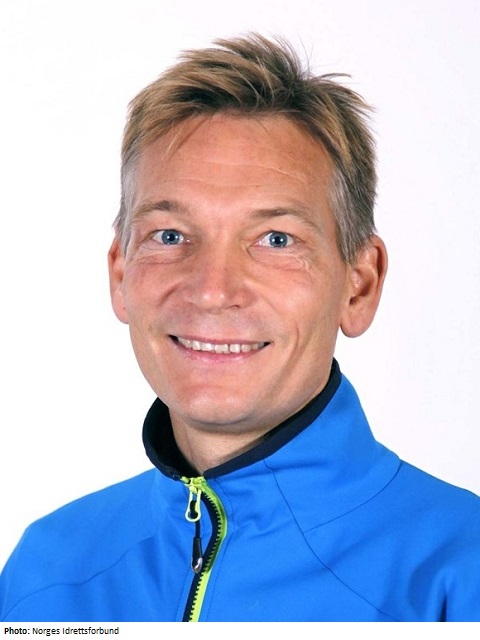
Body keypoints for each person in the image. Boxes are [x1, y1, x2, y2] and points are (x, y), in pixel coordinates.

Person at [1, 33, 479, 623]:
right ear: (120, 274)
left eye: (276, 240)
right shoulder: (45, 575)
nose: (212, 290)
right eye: (170, 236)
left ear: (359, 286)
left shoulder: (459, 574)